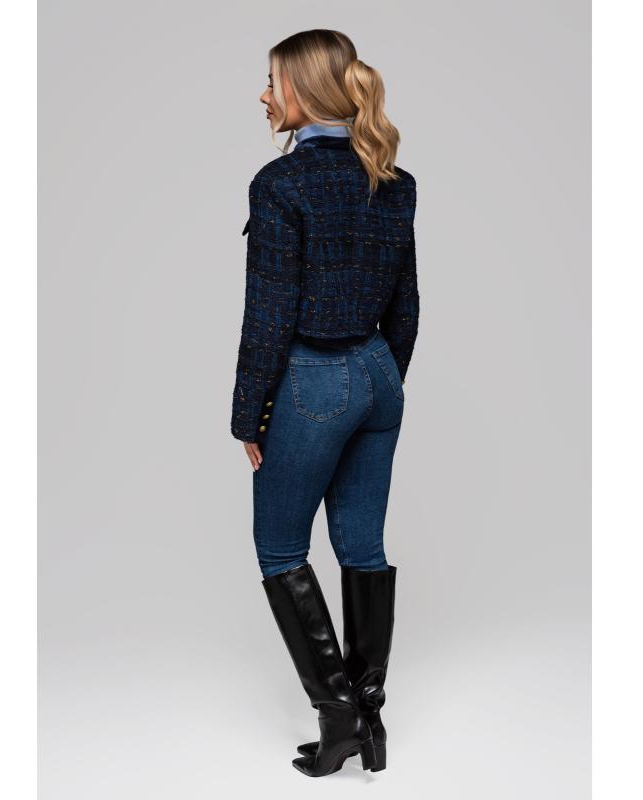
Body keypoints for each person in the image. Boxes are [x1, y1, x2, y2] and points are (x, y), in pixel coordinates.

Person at [230, 29, 419, 777]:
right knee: (362, 545)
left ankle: (338, 718)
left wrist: (249, 415)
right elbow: (406, 307)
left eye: (271, 81)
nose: (263, 95)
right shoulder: (392, 180)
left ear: (302, 92)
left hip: (314, 378)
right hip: (379, 374)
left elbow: (268, 315)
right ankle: (369, 717)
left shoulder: (281, 184)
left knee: (281, 547)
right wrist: (380, 381)